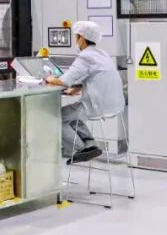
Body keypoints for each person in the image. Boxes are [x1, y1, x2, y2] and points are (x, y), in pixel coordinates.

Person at [44, 21, 125, 163]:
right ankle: (89, 144)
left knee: (55, 117)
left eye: (76, 36)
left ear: (81, 38)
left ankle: (79, 149)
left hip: (97, 106)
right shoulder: (102, 54)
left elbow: (65, 81)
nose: (76, 40)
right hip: (114, 105)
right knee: (71, 113)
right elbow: (96, 77)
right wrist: (77, 89)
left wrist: (50, 79)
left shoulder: (85, 56)